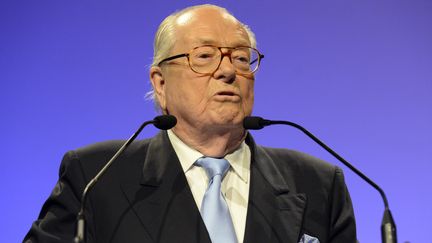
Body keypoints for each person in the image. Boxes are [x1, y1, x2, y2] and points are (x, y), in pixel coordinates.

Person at [24, 4, 356, 243]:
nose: (228, 71)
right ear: (160, 83)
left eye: (241, 58)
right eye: (204, 56)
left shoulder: (318, 184)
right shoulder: (96, 178)